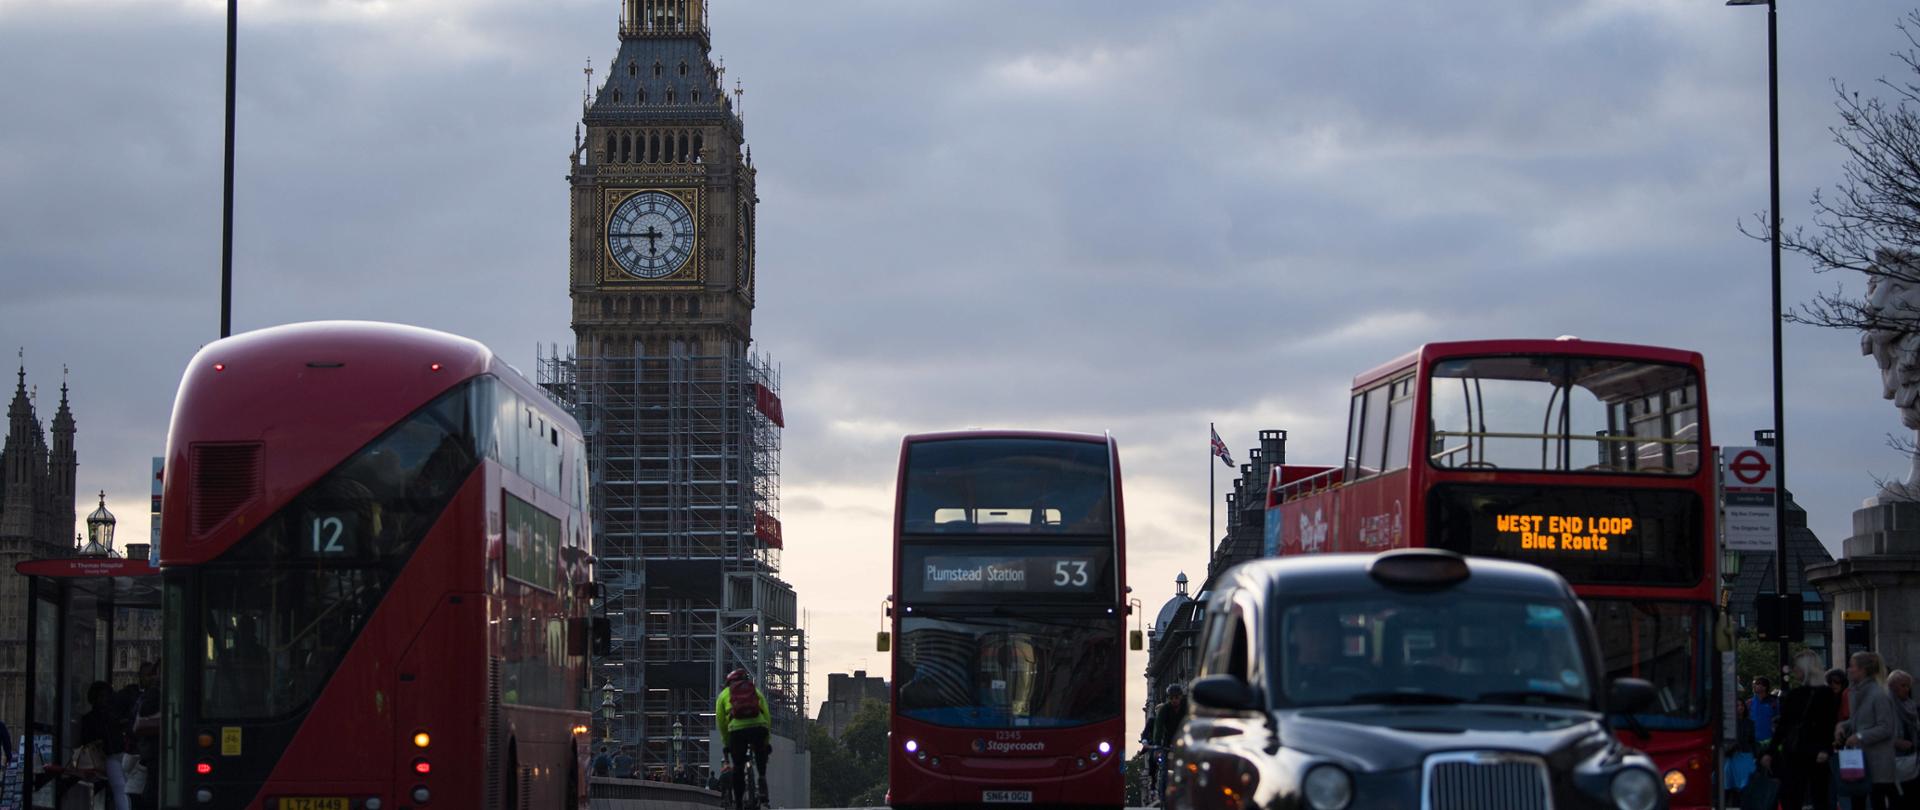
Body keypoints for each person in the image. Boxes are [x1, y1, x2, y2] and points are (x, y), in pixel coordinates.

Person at [1765, 652, 1840, 810]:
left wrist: (1770, 751)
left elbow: (1784, 726)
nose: (1794, 671)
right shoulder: (1825, 693)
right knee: (1817, 794)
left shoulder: (1798, 695)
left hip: (1797, 750)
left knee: (1796, 795)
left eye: (1797, 667)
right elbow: (1829, 724)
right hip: (1811, 750)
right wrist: (1825, 749)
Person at [1837, 651, 1902, 809]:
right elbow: (1861, 720)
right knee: (1858, 801)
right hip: (1860, 760)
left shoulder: (1879, 694)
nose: (1849, 669)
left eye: (1852, 666)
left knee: (1877, 800)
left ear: (1863, 670)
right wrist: (1842, 726)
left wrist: (1859, 736)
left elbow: (1885, 727)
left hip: (1877, 762)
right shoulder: (1856, 692)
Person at [715, 668, 772, 810]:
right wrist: (766, 742)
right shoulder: (755, 692)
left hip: (737, 731)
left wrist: (726, 743)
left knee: (738, 767)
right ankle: (762, 778)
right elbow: (767, 716)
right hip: (758, 727)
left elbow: (721, 722)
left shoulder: (723, 695)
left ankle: (739, 803)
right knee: (760, 753)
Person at [77, 680, 129, 810]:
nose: (104, 700)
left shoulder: (107, 716)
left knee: (122, 788)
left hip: (113, 755)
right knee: (121, 788)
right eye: (101, 696)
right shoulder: (103, 717)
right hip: (110, 756)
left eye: (106, 696)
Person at [1887, 669, 1920, 804]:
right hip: (1894, 759)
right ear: (1893, 686)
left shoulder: (1911, 705)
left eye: (1908, 686)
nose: (1906, 689)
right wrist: (1895, 742)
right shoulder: (1886, 705)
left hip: (1913, 758)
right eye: (1903, 685)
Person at [1750, 676, 1780, 752]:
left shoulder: (1774, 702)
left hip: (1770, 742)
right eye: (1754, 684)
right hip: (1753, 743)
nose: (1754, 685)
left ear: (1764, 687)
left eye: (1757, 684)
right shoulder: (1749, 703)